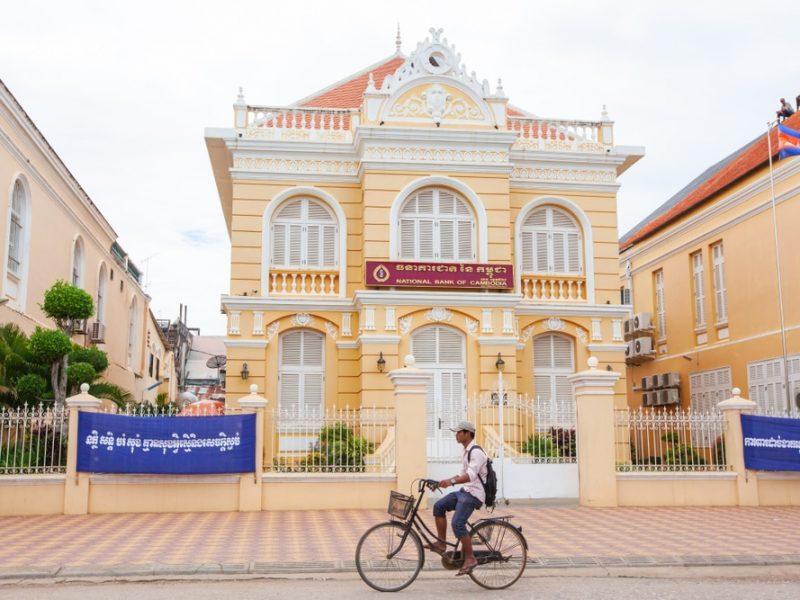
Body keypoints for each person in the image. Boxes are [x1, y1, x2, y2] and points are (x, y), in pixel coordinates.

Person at [426, 420, 488, 576]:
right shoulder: (466, 451)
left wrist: (451, 482)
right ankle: (441, 544)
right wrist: (443, 482)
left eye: (459, 432)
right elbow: (461, 475)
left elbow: (470, 475)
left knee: (457, 523)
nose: (456, 435)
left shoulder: (477, 452)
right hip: (465, 490)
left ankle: (470, 558)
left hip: (475, 494)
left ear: (467, 433)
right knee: (438, 506)